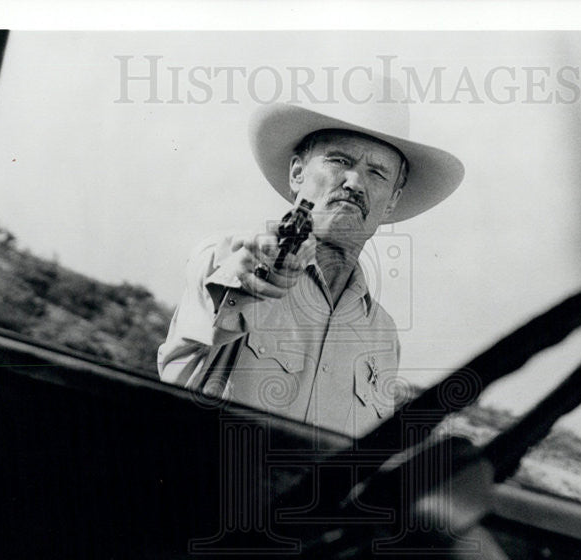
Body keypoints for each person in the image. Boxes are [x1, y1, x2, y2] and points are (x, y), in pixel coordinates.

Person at [157, 77, 464, 436]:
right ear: (297, 173)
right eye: (339, 160)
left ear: (393, 199)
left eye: (377, 173)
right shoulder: (230, 258)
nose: (354, 181)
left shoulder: (383, 336)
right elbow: (224, 283)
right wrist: (254, 274)